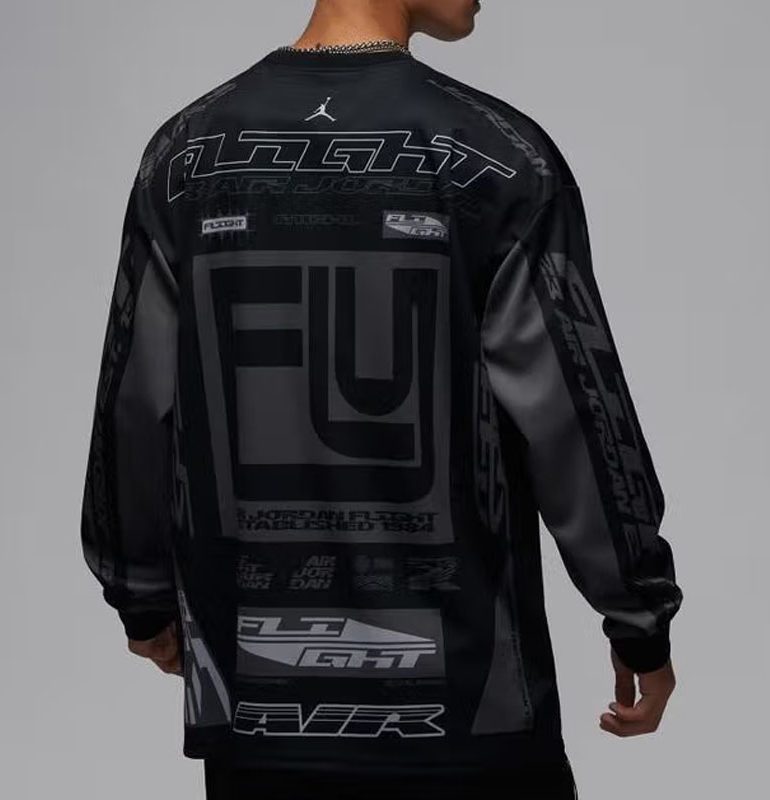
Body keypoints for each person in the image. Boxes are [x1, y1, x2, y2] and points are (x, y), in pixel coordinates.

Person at [79, 1, 683, 797]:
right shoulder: (499, 158)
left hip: (258, 718)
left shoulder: (183, 158)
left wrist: (140, 592)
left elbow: (132, 401)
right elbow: (574, 415)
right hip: (470, 723)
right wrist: (639, 620)